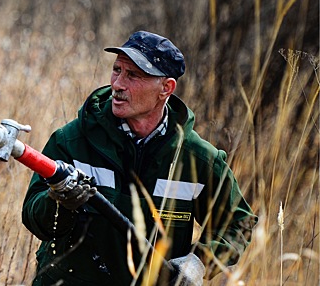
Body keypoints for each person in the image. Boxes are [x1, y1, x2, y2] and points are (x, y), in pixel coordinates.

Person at [22, 31, 257, 285]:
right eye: (116, 70)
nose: (117, 84)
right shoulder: (72, 142)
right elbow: (35, 219)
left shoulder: (197, 159)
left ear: (166, 88)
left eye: (133, 75)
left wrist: (199, 262)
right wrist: (57, 201)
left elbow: (238, 224)